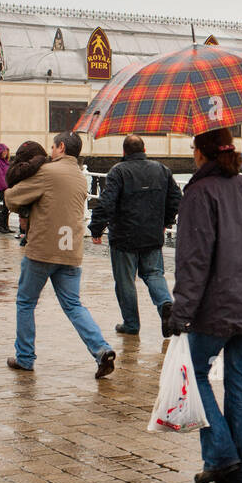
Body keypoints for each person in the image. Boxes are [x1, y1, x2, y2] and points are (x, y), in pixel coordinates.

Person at [166, 127, 242, 483]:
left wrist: (180, 312)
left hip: (216, 306)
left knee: (194, 374)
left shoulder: (198, 192)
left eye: (193, 147)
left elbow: (193, 261)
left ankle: (221, 456)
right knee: (240, 380)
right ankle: (241, 474)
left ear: (201, 153)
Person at [4, 132, 116, 380]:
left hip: (43, 251)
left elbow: (12, 198)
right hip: (71, 250)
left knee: (25, 302)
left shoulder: (47, 172)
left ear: (61, 147)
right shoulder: (80, 177)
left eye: (53, 147)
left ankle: (25, 358)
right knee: (74, 305)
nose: (50, 152)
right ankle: (102, 349)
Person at [88, 134, 182, 337]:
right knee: (154, 274)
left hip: (124, 237)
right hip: (152, 235)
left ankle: (131, 325)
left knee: (125, 281)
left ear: (124, 152)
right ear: (145, 150)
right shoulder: (161, 169)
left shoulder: (118, 171)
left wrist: (96, 229)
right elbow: (176, 198)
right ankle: (166, 304)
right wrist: (166, 221)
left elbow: (106, 203)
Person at [5, 140, 48, 246]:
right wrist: (41, 160)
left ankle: (25, 238)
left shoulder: (15, 168)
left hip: (24, 205)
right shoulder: (31, 167)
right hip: (31, 208)